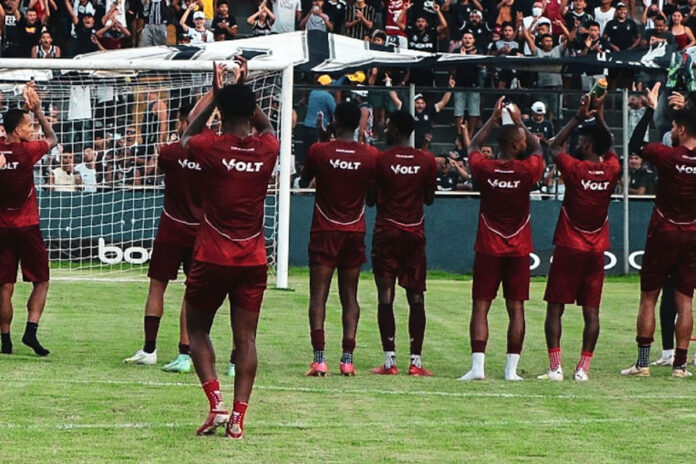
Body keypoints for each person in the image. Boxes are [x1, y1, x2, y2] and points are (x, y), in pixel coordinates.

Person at [180, 61, 279, 439]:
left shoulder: (211, 146)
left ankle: (216, 403)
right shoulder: (267, 148)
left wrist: (216, 93)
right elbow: (268, 126)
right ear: (251, 114)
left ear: (221, 112)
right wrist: (244, 89)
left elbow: (188, 135)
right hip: (252, 257)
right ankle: (238, 419)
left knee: (198, 329)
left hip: (211, 255)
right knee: (246, 340)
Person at [458, 97, 545, 381]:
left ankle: (478, 368)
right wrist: (518, 121)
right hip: (518, 248)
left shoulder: (485, 169)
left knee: (481, 305)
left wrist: (494, 119)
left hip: (488, 247)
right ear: (517, 145)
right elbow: (538, 148)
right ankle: (511, 371)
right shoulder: (527, 170)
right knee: (516, 307)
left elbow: (471, 147)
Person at [537, 94, 619, 382]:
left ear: (588, 144)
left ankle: (555, 367)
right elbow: (610, 145)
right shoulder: (612, 169)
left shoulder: (574, 168)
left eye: (583, 141)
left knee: (555, 307)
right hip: (596, 250)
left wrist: (578, 116)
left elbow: (554, 145)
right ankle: (583, 369)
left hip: (569, 246)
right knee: (591, 311)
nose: (578, 144)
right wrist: (598, 114)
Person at [621, 82, 696, 378]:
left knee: (649, 296)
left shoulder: (669, 157)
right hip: (692, 233)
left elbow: (634, 146)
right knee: (685, 300)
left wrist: (651, 111)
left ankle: (642, 363)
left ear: (679, 128)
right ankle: (680, 365)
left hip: (664, 230)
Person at [298, 101, 378, 377]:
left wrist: (323, 142)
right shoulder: (370, 156)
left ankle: (319, 359)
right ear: (358, 124)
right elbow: (372, 198)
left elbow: (302, 180)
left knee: (318, 296)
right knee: (350, 296)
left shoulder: (319, 151)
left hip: (324, 230)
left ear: (334, 121)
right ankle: (347, 359)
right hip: (354, 231)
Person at [124, 103, 204, 374]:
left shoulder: (170, 152)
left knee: (157, 287)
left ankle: (149, 349)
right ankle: (185, 354)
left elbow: (154, 170)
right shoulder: (212, 153)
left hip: (171, 229)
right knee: (192, 293)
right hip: (201, 230)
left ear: (182, 123)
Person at [367, 110, 437, 376]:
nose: (385, 130)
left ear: (395, 130)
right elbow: (429, 199)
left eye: (387, 127)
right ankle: (416, 362)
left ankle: (390, 361)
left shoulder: (380, 160)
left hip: (387, 232)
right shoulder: (426, 160)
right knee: (416, 296)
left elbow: (371, 199)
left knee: (386, 295)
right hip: (414, 234)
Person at [0, 82, 58, 356]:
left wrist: (25, 110)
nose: (31, 129)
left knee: (5, 284)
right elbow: (52, 139)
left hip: (2, 228)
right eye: (27, 126)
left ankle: (6, 340)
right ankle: (31, 331)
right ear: (17, 130)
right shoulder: (28, 151)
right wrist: (37, 111)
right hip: (27, 225)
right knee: (41, 280)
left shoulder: (2, 148)